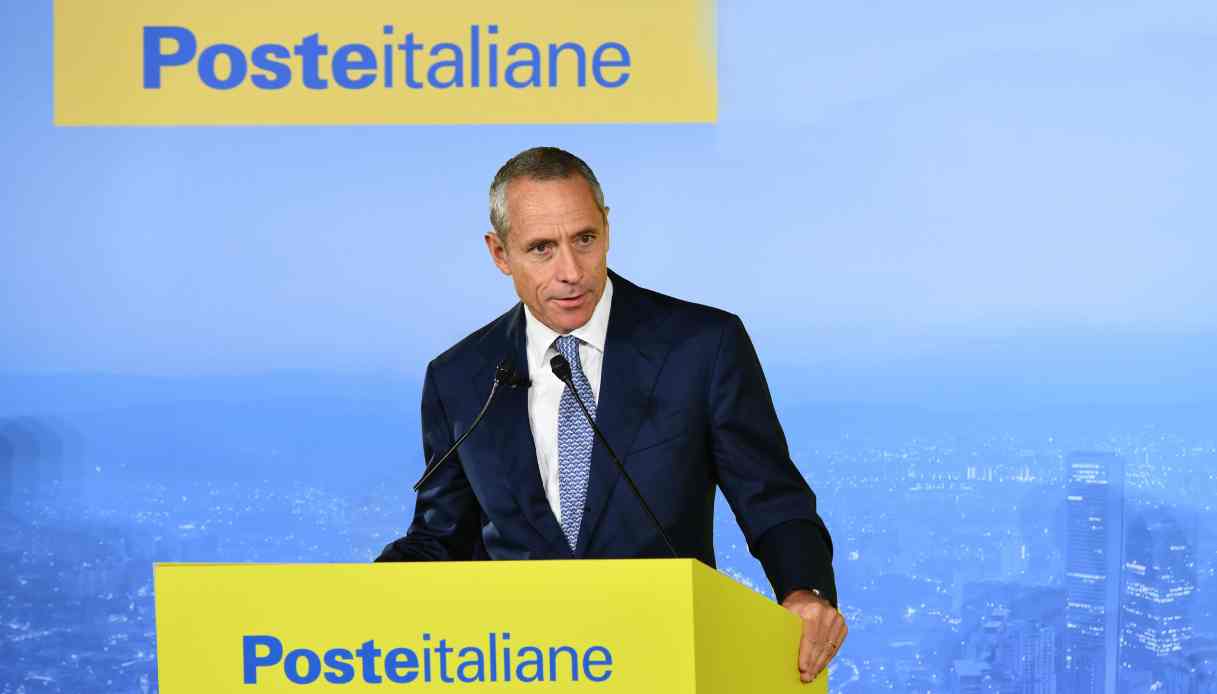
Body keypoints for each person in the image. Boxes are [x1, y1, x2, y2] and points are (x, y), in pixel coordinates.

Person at [376, 146, 847, 682]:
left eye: (584, 239)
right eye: (541, 249)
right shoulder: (459, 377)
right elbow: (442, 537)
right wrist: (348, 598)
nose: (571, 272)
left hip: (667, 664)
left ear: (607, 227)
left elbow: (773, 499)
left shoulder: (701, 347)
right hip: (522, 667)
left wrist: (805, 590)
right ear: (500, 254)